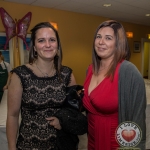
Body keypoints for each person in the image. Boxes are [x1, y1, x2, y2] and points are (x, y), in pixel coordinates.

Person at [6, 22, 87, 150]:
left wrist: (63, 121)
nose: (48, 45)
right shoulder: (20, 75)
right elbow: (12, 115)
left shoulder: (67, 74)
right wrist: (11, 147)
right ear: (34, 47)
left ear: (57, 45)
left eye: (52, 40)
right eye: (41, 40)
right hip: (29, 145)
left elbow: (74, 111)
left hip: (63, 144)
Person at [83, 20, 146, 150]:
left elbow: (138, 118)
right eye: (98, 37)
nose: (101, 42)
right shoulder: (90, 69)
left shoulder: (128, 71)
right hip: (92, 139)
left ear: (118, 43)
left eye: (108, 38)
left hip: (116, 142)